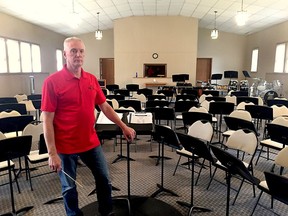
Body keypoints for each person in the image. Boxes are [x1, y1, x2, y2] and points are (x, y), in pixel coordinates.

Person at [41, 37, 136, 216]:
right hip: (64, 146)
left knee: (104, 179)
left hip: (90, 142)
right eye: (73, 51)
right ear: (65, 54)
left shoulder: (91, 79)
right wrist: (52, 153)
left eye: (81, 51)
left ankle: (106, 212)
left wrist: (123, 126)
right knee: (69, 189)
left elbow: (105, 106)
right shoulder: (52, 82)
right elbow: (47, 119)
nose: (78, 55)